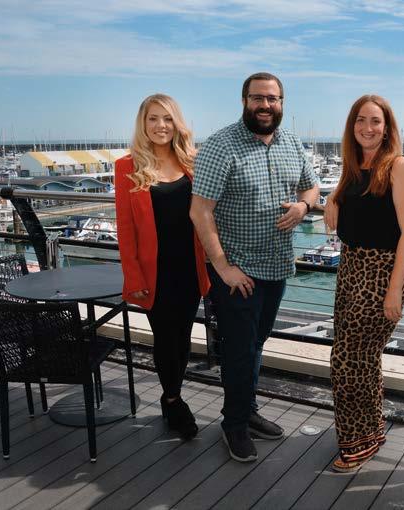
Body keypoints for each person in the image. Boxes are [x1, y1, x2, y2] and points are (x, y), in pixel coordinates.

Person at [190, 72, 320, 462]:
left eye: (272, 99)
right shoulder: (221, 145)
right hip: (238, 272)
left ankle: (246, 411)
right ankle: (233, 425)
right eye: (258, 98)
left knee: (255, 344)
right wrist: (223, 267)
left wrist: (304, 206)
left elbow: (311, 186)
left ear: (282, 103)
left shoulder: (291, 143)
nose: (265, 105)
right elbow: (200, 212)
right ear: (244, 100)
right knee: (239, 350)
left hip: (277, 267)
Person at [324, 95, 404, 472]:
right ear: (352, 126)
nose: (367, 128)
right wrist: (332, 198)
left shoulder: (399, 167)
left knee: (346, 359)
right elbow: (352, 197)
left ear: (387, 128)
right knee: (362, 358)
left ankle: (357, 441)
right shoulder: (353, 165)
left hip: (381, 273)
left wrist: (394, 289)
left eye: (375, 121)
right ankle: (371, 431)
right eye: (361, 120)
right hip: (350, 268)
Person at [115, 93, 211, 439]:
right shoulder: (127, 167)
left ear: (177, 123)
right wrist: (133, 277)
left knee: (183, 337)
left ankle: (173, 394)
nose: (161, 125)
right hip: (154, 273)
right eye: (153, 118)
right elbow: (125, 229)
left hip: (189, 268)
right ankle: (172, 400)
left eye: (167, 118)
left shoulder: (193, 162)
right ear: (143, 124)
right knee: (165, 338)